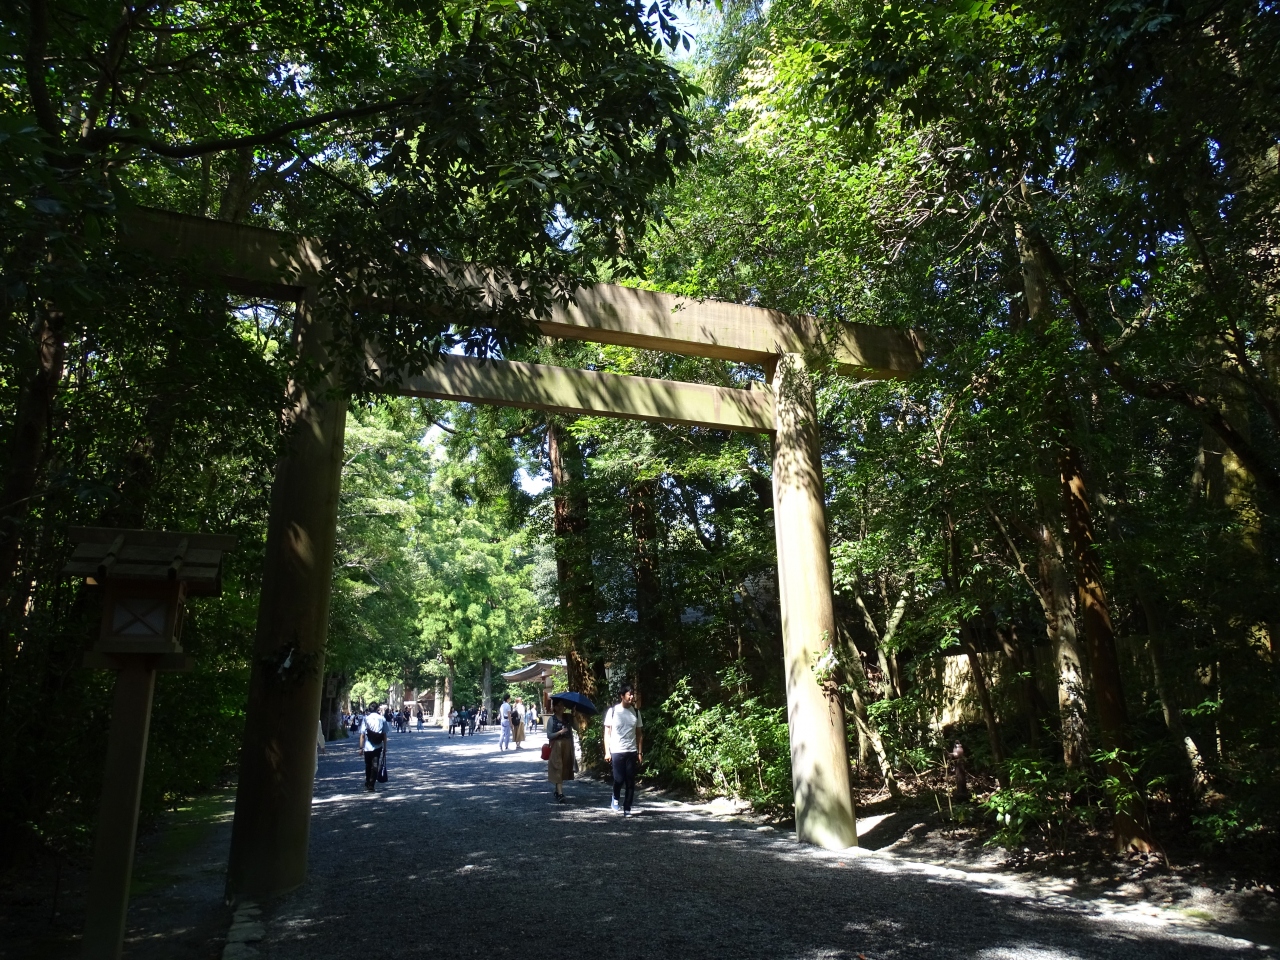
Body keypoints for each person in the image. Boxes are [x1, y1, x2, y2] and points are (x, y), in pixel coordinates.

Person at [603, 684, 644, 816]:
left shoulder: (636, 712)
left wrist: (639, 752)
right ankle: (615, 797)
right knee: (619, 779)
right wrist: (607, 751)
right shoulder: (613, 711)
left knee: (630, 780)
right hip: (616, 750)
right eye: (629, 694)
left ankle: (627, 807)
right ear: (622, 696)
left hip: (631, 751)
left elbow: (639, 734)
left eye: (632, 694)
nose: (631, 696)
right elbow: (607, 733)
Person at [545, 699, 575, 803]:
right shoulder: (551, 719)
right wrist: (559, 732)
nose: (560, 707)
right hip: (556, 745)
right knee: (558, 767)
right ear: (554, 707)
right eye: (558, 705)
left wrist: (574, 715)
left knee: (564, 768)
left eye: (562, 705)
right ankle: (560, 793)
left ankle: (557, 790)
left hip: (567, 745)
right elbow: (549, 735)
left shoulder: (568, 717)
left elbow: (576, 727)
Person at [359, 702, 387, 792]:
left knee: (368, 765)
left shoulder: (365, 719)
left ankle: (368, 781)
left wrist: (360, 747)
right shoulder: (382, 719)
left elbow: (362, 735)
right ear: (377, 709)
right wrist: (385, 747)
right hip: (378, 745)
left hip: (367, 746)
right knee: (375, 765)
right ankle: (371, 783)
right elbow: (384, 735)